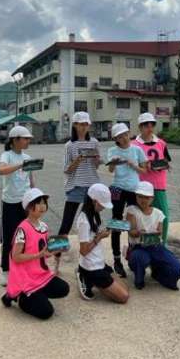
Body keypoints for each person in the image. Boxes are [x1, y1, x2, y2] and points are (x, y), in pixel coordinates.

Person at [1, 188, 70, 320]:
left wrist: (54, 250)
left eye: (44, 202)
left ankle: (35, 295)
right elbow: (16, 257)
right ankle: (18, 296)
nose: (42, 206)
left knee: (64, 289)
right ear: (28, 207)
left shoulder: (44, 226)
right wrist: (38, 255)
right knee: (46, 312)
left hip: (40, 274)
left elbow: (44, 253)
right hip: (25, 278)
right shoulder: (22, 229)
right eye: (38, 203)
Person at [54, 112, 101, 273]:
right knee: (66, 225)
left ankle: (88, 262)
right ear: (74, 125)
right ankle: (56, 261)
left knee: (91, 224)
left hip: (92, 187)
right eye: (80, 124)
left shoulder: (94, 142)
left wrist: (97, 159)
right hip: (75, 187)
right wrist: (77, 160)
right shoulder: (69, 145)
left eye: (86, 124)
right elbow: (66, 170)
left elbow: (96, 166)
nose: (83, 127)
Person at [76, 183, 129, 303]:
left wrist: (108, 230)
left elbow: (94, 234)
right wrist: (99, 237)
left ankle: (96, 282)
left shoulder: (94, 214)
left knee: (126, 289)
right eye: (102, 204)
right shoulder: (84, 221)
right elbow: (83, 251)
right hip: (91, 267)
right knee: (123, 297)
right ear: (94, 201)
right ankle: (85, 277)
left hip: (99, 263)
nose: (104, 208)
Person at [126, 181, 180, 290]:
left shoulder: (158, 213)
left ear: (152, 198)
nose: (143, 200)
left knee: (178, 270)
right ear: (136, 196)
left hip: (156, 247)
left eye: (146, 197)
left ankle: (157, 273)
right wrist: (138, 232)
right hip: (139, 247)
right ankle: (139, 278)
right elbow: (131, 231)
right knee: (139, 259)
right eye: (140, 196)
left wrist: (156, 234)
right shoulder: (132, 210)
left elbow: (160, 232)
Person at [107, 122, 147, 278]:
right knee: (116, 223)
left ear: (129, 133)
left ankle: (133, 255)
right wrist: (113, 163)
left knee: (133, 223)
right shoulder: (112, 150)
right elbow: (110, 170)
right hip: (117, 188)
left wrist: (133, 165)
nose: (123, 138)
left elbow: (144, 170)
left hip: (133, 189)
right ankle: (117, 260)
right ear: (115, 139)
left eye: (125, 134)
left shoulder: (137, 150)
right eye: (119, 137)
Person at [0, 125, 35, 286]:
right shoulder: (6, 155)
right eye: (25, 139)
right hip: (10, 201)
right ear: (15, 140)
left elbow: (30, 178)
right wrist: (20, 165)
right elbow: (2, 170)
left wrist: (35, 195)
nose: (28, 141)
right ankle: (6, 270)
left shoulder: (27, 156)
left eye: (28, 139)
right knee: (9, 237)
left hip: (25, 202)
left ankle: (23, 264)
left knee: (26, 235)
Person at [132, 112, 172, 243]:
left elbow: (166, 160)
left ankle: (161, 245)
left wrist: (162, 164)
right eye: (146, 125)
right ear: (140, 127)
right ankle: (137, 246)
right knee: (138, 218)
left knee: (163, 217)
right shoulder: (134, 145)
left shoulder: (161, 143)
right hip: (141, 186)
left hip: (158, 186)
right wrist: (143, 165)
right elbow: (131, 164)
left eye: (152, 125)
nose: (149, 128)